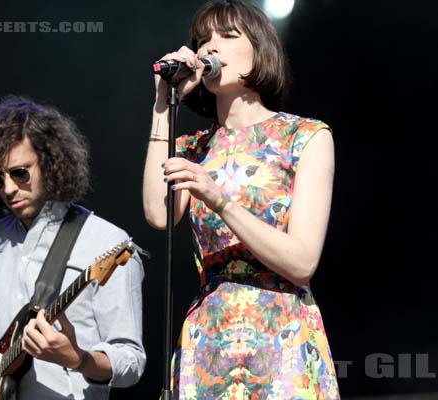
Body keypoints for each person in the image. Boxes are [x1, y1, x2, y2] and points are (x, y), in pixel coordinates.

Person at [142, 0, 340, 398]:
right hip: (209, 337)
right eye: (203, 40)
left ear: (261, 50)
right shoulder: (192, 147)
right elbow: (158, 215)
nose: (209, 48)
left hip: (281, 335)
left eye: (228, 37)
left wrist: (220, 200)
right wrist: (163, 106)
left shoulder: (305, 138)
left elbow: (302, 263)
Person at [0, 96, 146, 400]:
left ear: (51, 161)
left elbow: (131, 361)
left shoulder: (108, 243)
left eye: (19, 172)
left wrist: (78, 358)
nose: (8, 189)